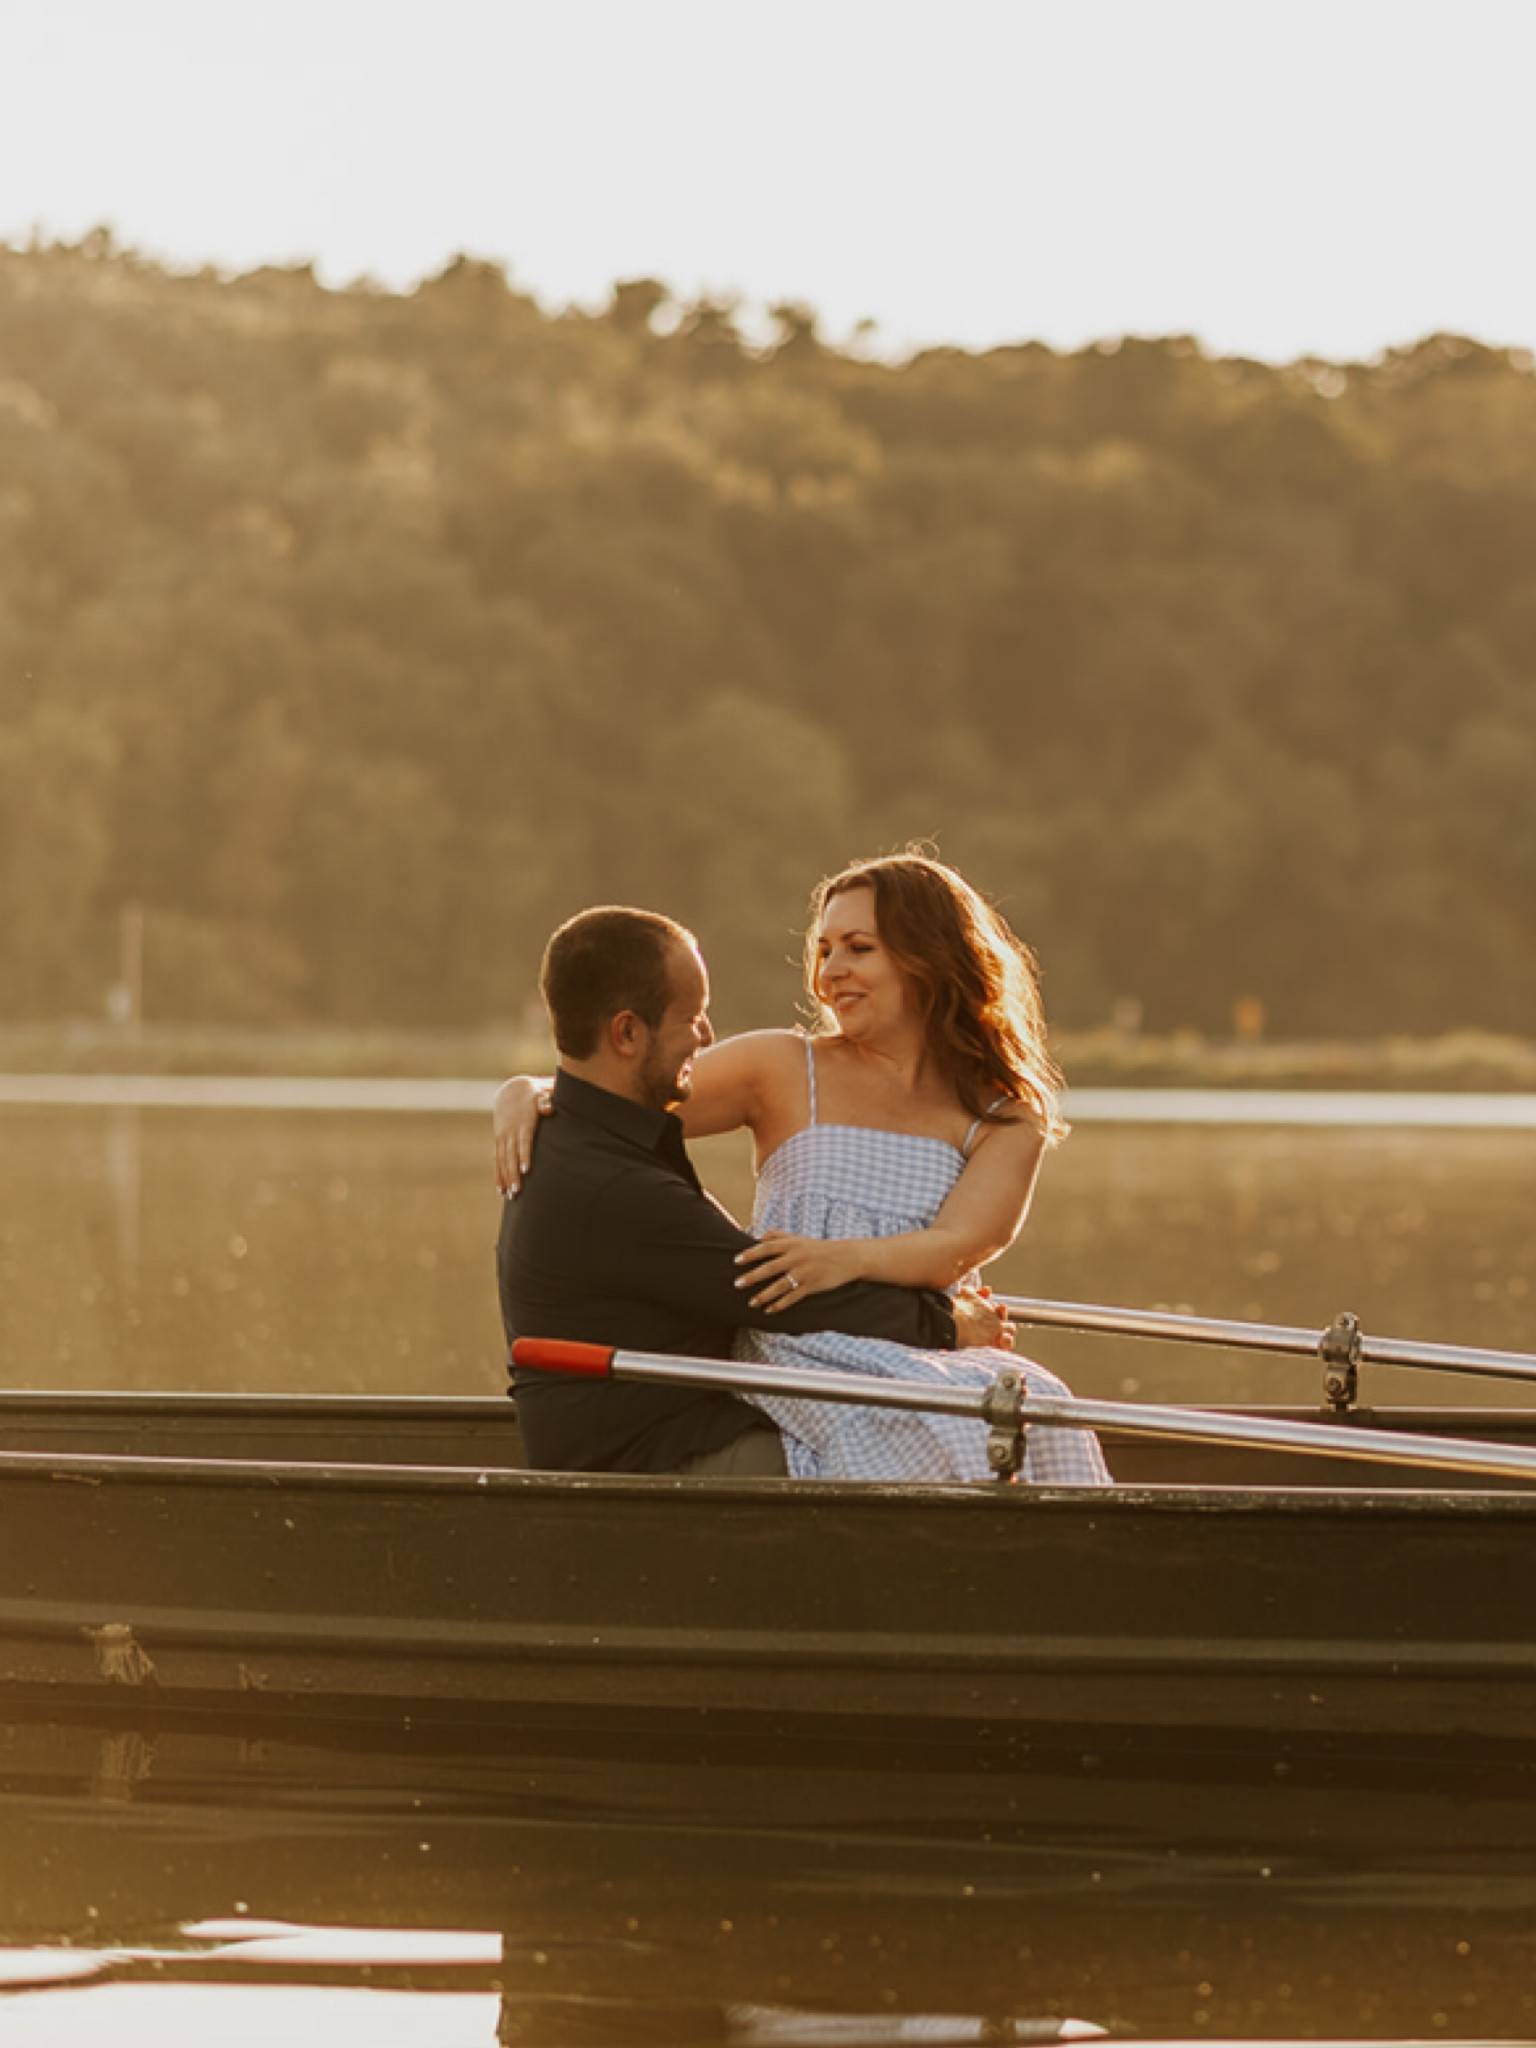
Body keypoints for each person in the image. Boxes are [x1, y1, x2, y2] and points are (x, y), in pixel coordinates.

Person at [497, 857, 1110, 1487]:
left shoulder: (1004, 1117)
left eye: (858, 948)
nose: (832, 969)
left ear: (927, 958)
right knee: (922, 1431)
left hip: (921, 1335)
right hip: (793, 1332)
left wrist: (845, 1260)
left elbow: (956, 1245)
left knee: (1044, 1409)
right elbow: (624, 1088)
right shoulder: (783, 1067)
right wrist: (527, 1091)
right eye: (824, 949)